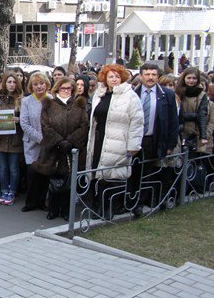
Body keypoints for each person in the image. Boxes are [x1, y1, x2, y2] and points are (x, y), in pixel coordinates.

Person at [86, 64, 143, 218]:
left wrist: (133, 145)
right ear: (105, 78)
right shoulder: (99, 93)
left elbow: (137, 122)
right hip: (99, 139)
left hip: (118, 140)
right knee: (97, 174)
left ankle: (109, 209)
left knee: (113, 176)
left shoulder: (130, 96)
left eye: (117, 76)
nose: (114, 79)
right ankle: (96, 208)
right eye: (111, 76)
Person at [32, 77, 89, 220]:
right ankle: (53, 209)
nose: (65, 91)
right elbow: (45, 125)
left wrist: (70, 141)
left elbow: (84, 126)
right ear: (57, 89)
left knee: (68, 182)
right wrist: (58, 141)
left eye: (68, 88)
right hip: (54, 150)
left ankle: (65, 210)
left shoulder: (79, 105)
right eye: (63, 88)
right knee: (54, 180)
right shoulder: (49, 104)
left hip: (71, 150)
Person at [130, 64, 179, 216]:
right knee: (134, 172)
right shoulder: (133, 93)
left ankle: (143, 202)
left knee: (150, 172)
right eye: (147, 74)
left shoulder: (167, 95)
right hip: (135, 139)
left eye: (153, 74)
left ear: (158, 76)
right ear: (141, 76)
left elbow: (173, 122)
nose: (150, 77)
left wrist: (170, 145)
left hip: (154, 139)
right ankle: (131, 200)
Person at [20, 72, 52, 212]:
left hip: (48, 144)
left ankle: (41, 202)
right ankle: (30, 202)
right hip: (32, 143)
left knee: (44, 174)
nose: (39, 86)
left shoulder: (51, 99)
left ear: (47, 85)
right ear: (31, 86)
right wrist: (40, 138)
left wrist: (47, 139)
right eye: (36, 84)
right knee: (32, 174)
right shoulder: (26, 101)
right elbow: (24, 124)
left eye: (42, 83)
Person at [0, 72, 24, 206]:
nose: (11, 84)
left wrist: (19, 119)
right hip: (0, 139)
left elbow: (27, 119)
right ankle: (4, 190)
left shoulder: (21, 99)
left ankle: (12, 191)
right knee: (3, 168)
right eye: (9, 82)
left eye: (14, 82)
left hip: (15, 139)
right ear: (5, 83)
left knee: (13, 168)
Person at [176, 67, 214, 155]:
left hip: (195, 133)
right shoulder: (177, 92)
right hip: (179, 131)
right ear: (184, 78)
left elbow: (202, 115)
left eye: (194, 78)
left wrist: (204, 136)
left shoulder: (202, 95)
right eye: (189, 78)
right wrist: (193, 116)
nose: (191, 81)